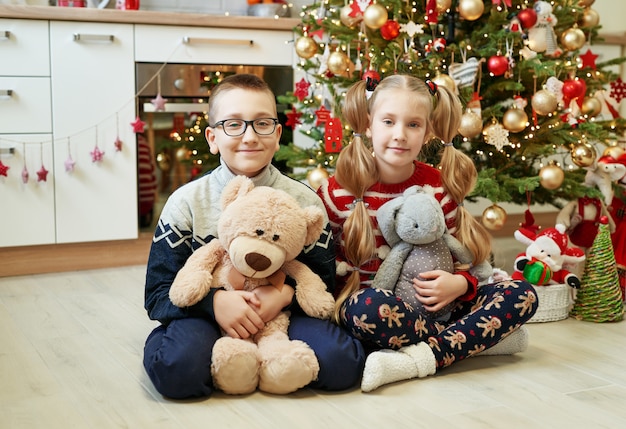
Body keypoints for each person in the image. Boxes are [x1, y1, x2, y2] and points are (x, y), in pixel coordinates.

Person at [142, 73, 365, 399]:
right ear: (212, 137)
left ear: (277, 135)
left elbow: (322, 281)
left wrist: (284, 295)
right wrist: (215, 302)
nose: (249, 136)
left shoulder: (304, 201)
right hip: (204, 315)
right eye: (233, 124)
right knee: (178, 371)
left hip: (283, 315)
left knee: (342, 364)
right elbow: (158, 293)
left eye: (262, 124)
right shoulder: (186, 202)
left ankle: (265, 364)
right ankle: (223, 357)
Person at [316, 74, 538, 392]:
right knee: (367, 307)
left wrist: (460, 284)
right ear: (368, 124)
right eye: (388, 121)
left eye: (413, 125)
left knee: (522, 294)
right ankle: (472, 341)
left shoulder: (437, 184)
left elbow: (465, 256)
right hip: (376, 312)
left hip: (441, 309)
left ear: (428, 131)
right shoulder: (339, 190)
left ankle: (419, 358)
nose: (400, 135)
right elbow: (322, 266)